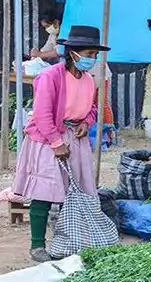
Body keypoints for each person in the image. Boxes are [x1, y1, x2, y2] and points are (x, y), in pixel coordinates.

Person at [12, 25, 107, 262]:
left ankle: (67, 241)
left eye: (95, 55)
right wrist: (56, 143)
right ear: (73, 53)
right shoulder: (50, 77)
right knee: (43, 191)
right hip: (48, 138)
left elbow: (92, 107)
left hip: (75, 137)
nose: (92, 59)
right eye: (89, 54)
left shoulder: (88, 79)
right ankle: (37, 246)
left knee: (74, 191)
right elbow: (42, 114)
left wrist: (86, 122)